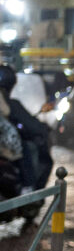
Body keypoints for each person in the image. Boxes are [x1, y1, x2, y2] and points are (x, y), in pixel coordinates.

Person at [0, 64, 53, 194]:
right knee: (24, 148)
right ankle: (28, 187)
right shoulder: (7, 100)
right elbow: (24, 121)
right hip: (4, 143)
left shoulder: (8, 100)